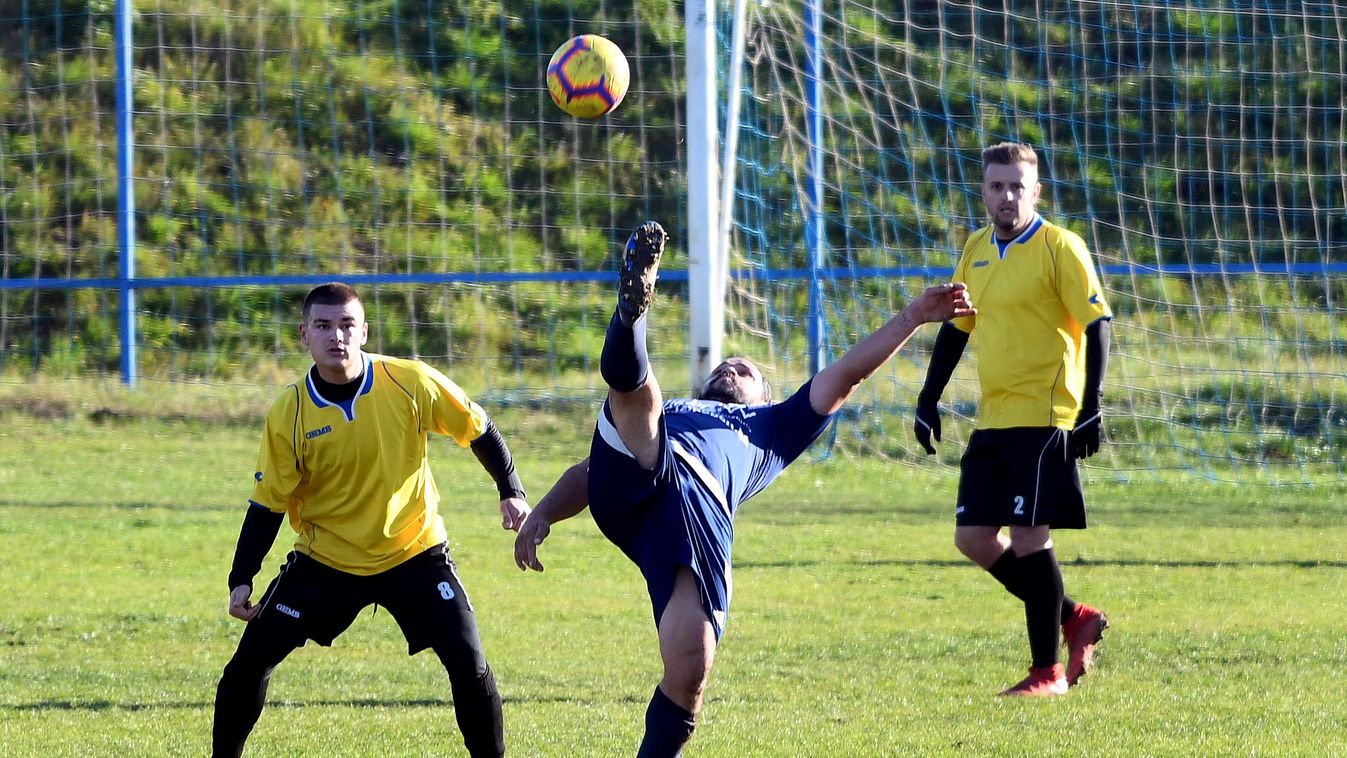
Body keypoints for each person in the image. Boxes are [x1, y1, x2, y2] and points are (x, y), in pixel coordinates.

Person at [512, 221, 975, 756]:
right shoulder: (684, 410)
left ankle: (629, 333)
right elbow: (588, 474)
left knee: (691, 665)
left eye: (748, 368)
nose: (734, 363)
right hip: (642, 467)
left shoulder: (775, 429)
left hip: (695, 516)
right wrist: (543, 512)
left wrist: (914, 317)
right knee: (640, 403)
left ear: (763, 397)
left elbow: (847, 374)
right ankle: (630, 321)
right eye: (727, 365)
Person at [212, 282, 530, 757]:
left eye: (345, 325)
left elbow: (478, 428)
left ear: (364, 331)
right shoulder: (290, 412)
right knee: (249, 662)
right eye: (323, 326)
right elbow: (268, 502)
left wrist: (511, 490)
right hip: (326, 560)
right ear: (304, 335)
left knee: (468, 660)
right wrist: (242, 577)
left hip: (414, 553)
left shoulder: (410, 381)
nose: (335, 336)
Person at [913, 141, 1113, 697]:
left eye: (1017, 187)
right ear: (983, 191)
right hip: (993, 418)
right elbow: (957, 329)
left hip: (1046, 417)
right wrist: (929, 397)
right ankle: (1073, 617)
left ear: (1036, 192)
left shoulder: (1060, 248)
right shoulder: (975, 249)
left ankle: (1046, 673)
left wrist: (1092, 405)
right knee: (974, 536)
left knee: (1029, 535)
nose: (1007, 196)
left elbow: (1098, 325)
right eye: (997, 186)